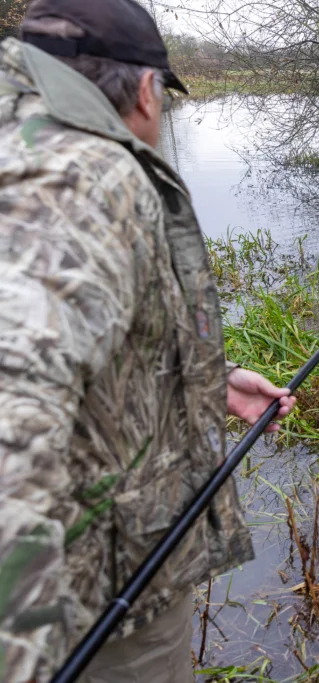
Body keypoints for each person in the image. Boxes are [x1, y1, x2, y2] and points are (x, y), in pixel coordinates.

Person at [0, 1, 297, 681]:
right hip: (94, 617)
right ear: (143, 89)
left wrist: (203, 380)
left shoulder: (24, 148)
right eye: (162, 98)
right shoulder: (83, 177)